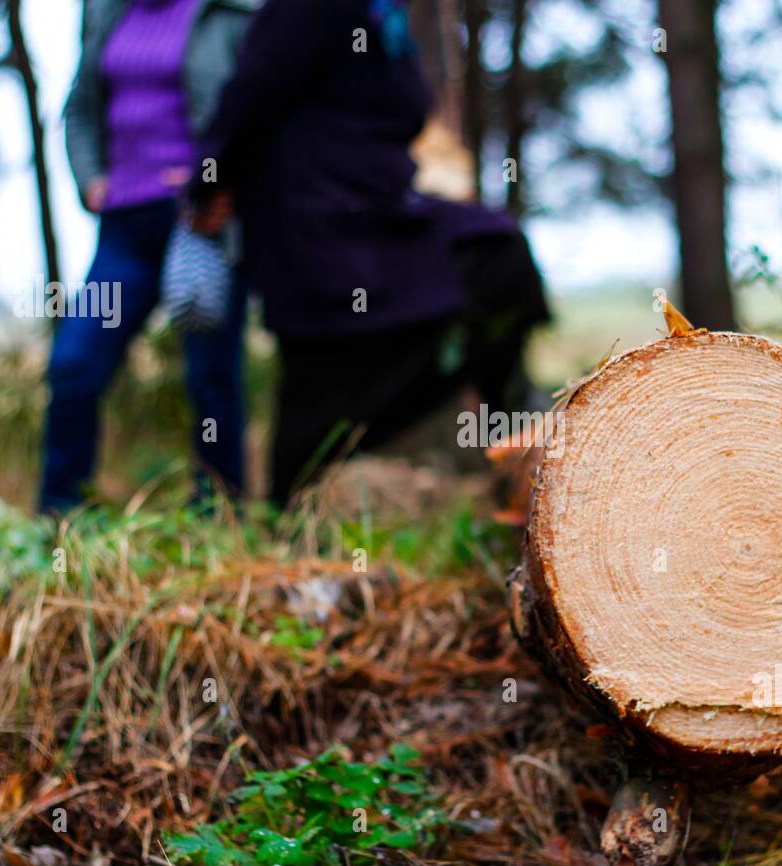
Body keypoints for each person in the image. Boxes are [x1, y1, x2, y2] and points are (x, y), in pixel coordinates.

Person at [190, 0, 550, 507]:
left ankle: (506, 440)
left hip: (375, 214)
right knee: (320, 401)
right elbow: (249, 95)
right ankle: (290, 510)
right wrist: (207, 184)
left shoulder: (384, 21)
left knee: (494, 256)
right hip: (322, 230)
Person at [41, 0, 261, 513]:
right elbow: (79, 108)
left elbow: (254, 110)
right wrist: (90, 178)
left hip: (199, 222)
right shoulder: (105, 13)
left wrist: (224, 185)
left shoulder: (227, 13)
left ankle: (219, 513)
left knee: (212, 376)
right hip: (123, 226)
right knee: (74, 363)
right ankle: (60, 516)